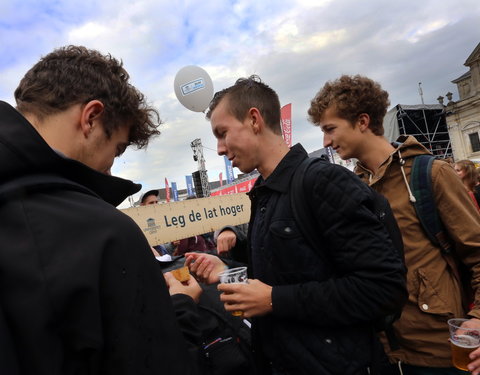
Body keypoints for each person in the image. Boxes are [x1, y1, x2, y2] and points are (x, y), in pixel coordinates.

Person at [0, 45, 202, 375]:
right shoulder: (106, 234)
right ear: (91, 118)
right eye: (116, 149)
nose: (110, 168)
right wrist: (180, 309)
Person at [202, 75, 407, 375]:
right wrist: (225, 265)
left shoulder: (322, 181)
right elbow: (293, 267)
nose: (219, 148)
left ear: (254, 120)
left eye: (222, 133)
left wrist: (274, 300)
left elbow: (383, 288)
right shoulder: (265, 191)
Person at [308, 74, 480, 374]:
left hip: (438, 352)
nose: (326, 142)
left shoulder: (432, 173)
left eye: (330, 129)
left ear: (362, 122)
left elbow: (477, 252)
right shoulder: (349, 187)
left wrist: (479, 318)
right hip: (381, 353)